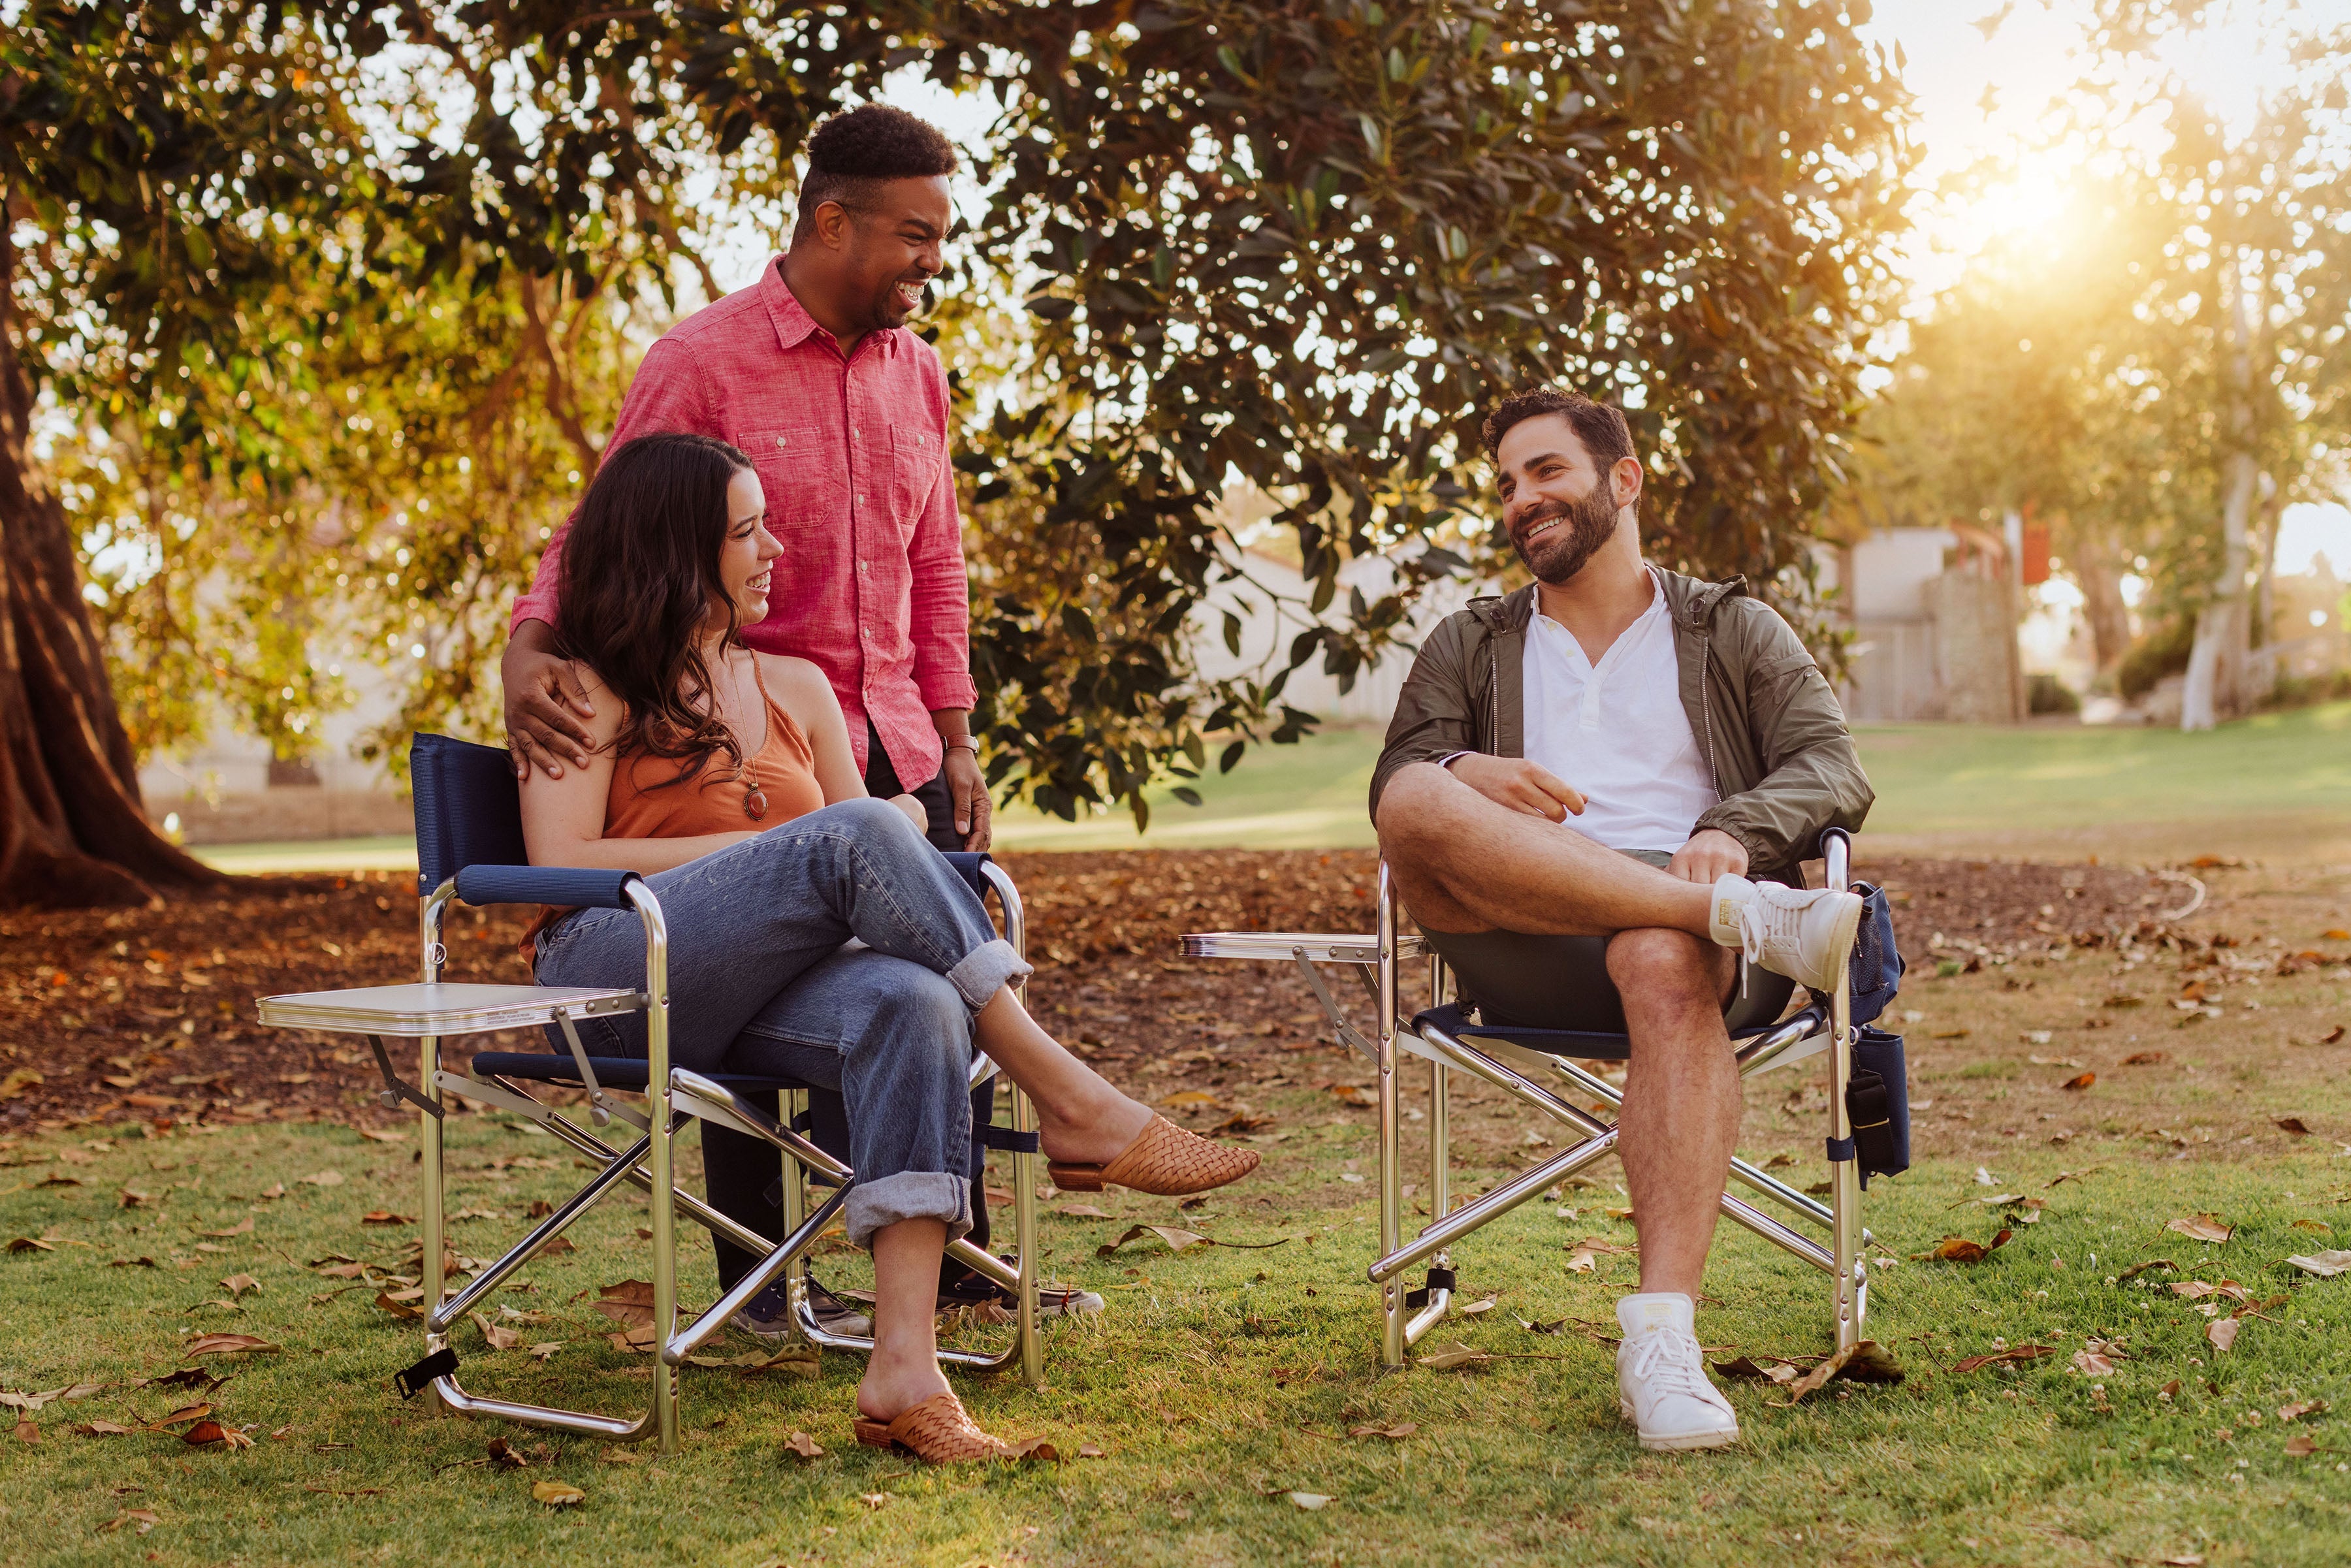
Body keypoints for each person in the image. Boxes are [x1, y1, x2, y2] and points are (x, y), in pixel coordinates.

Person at [518, 432, 1258, 1460]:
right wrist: (795, 843)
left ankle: (904, 1369)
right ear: (679, 553)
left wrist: (849, 844)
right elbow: (562, 859)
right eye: (746, 531)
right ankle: (1072, 1098)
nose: (776, 546)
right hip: (610, 971)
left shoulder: (798, 690)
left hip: (756, 986)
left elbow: (844, 884)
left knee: (912, 999)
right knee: (861, 827)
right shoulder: (583, 691)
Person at [498, 103, 1014, 1322]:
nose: (932, 261)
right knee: (764, 982)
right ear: (833, 221)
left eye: (942, 235)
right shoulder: (703, 359)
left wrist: (956, 732)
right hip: (726, 718)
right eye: (914, 235)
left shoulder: (920, 374)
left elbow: (935, 561)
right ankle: (761, 1283)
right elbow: (610, 525)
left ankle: (962, 1279)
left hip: (877, 719)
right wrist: (528, 644)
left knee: (923, 972)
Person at [1368, 387, 1873, 1454]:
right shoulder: (1470, 642)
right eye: (1507, 482)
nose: (1521, 499)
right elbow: (1400, 791)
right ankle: (1736, 914)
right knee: (1415, 795)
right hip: (1528, 931)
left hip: (1690, 945)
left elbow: (1833, 765)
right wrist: (1469, 768)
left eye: (1546, 470)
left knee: (1657, 949)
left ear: (1624, 481)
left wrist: (1735, 827)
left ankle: (1662, 1339)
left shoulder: (1731, 625)